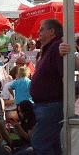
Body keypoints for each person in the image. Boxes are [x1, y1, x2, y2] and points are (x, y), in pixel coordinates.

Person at [29, 18, 64, 154]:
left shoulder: (57, 46)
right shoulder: (50, 48)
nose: (38, 32)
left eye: (42, 29)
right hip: (46, 106)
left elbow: (63, 75)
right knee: (53, 144)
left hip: (50, 105)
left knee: (39, 142)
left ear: (51, 31)